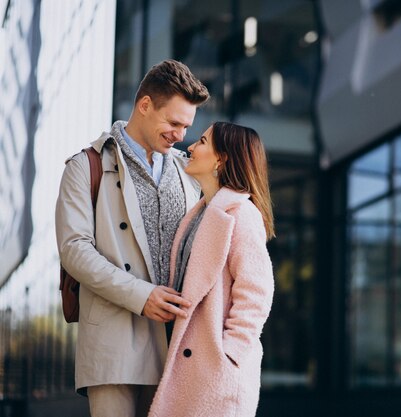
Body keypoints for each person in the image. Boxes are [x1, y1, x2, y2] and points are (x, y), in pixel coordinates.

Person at [55, 59, 209, 417]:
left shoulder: (189, 172)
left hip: (177, 344)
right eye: (173, 122)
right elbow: (74, 250)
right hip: (114, 342)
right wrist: (143, 296)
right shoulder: (86, 165)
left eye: (187, 126)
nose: (180, 135)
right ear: (144, 105)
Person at [148, 122, 275, 417]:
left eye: (202, 141)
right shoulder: (200, 212)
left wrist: (229, 353)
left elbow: (256, 291)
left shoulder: (241, 213)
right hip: (193, 366)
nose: (191, 146)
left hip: (217, 372)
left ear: (221, 158)